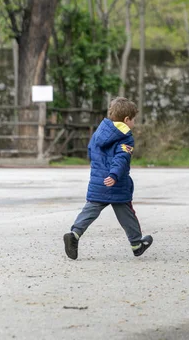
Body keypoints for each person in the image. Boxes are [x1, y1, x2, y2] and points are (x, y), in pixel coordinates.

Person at [63, 97, 153, 260]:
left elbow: (91, 151)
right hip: (116, 183)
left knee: (90, 210)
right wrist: (114, 175)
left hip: (98, 181)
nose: (134, 123)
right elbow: (121, 158)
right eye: (134, 120)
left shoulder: (100, 131)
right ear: (126, 120)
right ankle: (136, 244)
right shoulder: (126, 136)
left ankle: (74, 235)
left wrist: (101, 169)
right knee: (127, 214)